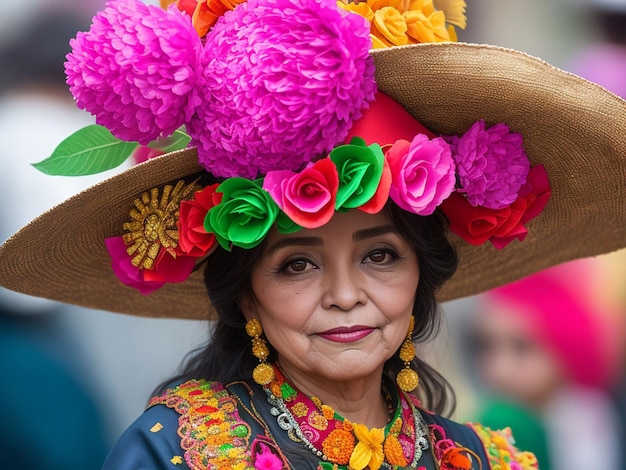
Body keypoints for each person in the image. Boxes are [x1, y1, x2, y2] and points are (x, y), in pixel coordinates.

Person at [0, 0, 625, 468]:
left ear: (422, 273)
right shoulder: (176, 456)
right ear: (244, 292)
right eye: (296, 265)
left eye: (380, 254)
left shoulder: (492, 460)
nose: (346, 295)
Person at [463, 258, 626, 470]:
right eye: (485, 346)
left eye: (522, 347)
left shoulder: (599, 418)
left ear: (566, 346)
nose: (498, 368)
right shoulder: (479, 431)